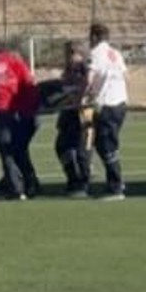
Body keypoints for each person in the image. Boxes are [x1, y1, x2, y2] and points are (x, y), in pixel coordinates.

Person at [0, 39, 42, 200]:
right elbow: (30, 84)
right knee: (20, 150)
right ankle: (32, 184)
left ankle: (16, 188)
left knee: (6, 151)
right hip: (25, 114)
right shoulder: (17, 62)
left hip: (3, 114)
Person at [82, 22, 128, 200]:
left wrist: (84, 96)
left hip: (106, 104)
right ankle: (116, 181)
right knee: (106, 144)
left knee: (105, 145)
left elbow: (89, 79)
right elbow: (126, 75)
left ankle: (116, 188)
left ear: (93, 37)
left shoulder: (95, 54)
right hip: (121, 103)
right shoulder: (115, 53)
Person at [53, 40, 94, 197]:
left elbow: (89, 85)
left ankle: (83, 184)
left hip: (84, 113)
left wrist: (82, 97)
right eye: (66, 53)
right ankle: (73, 178)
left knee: (83, 150)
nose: (67, 56)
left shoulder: (85, 67)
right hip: (68, 112)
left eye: (70, 53)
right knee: (62, 146)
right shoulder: (68, 70)